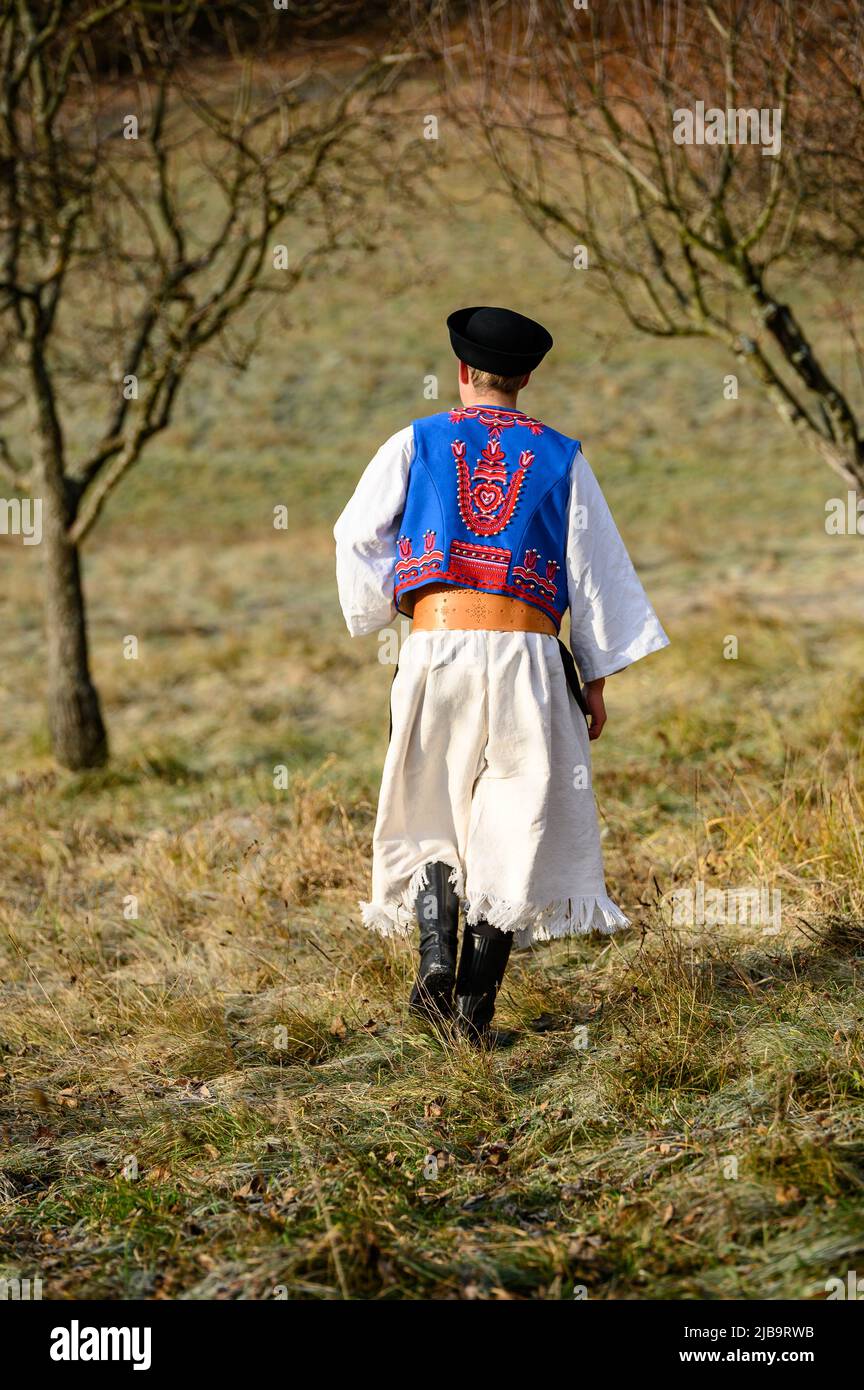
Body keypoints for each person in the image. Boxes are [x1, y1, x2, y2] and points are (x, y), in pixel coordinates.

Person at [334, 305, 669, 1043]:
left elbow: (357, 535)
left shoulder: (415, 442)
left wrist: (393, 607)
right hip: (529, 655)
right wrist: (596, 676)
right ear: (523, 378)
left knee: (430, 805)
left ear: (461, 373)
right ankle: (473, 1011)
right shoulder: (561, 457)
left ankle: (432, 964)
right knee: (516, 821)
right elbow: (595, 569)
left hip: (435, 646)